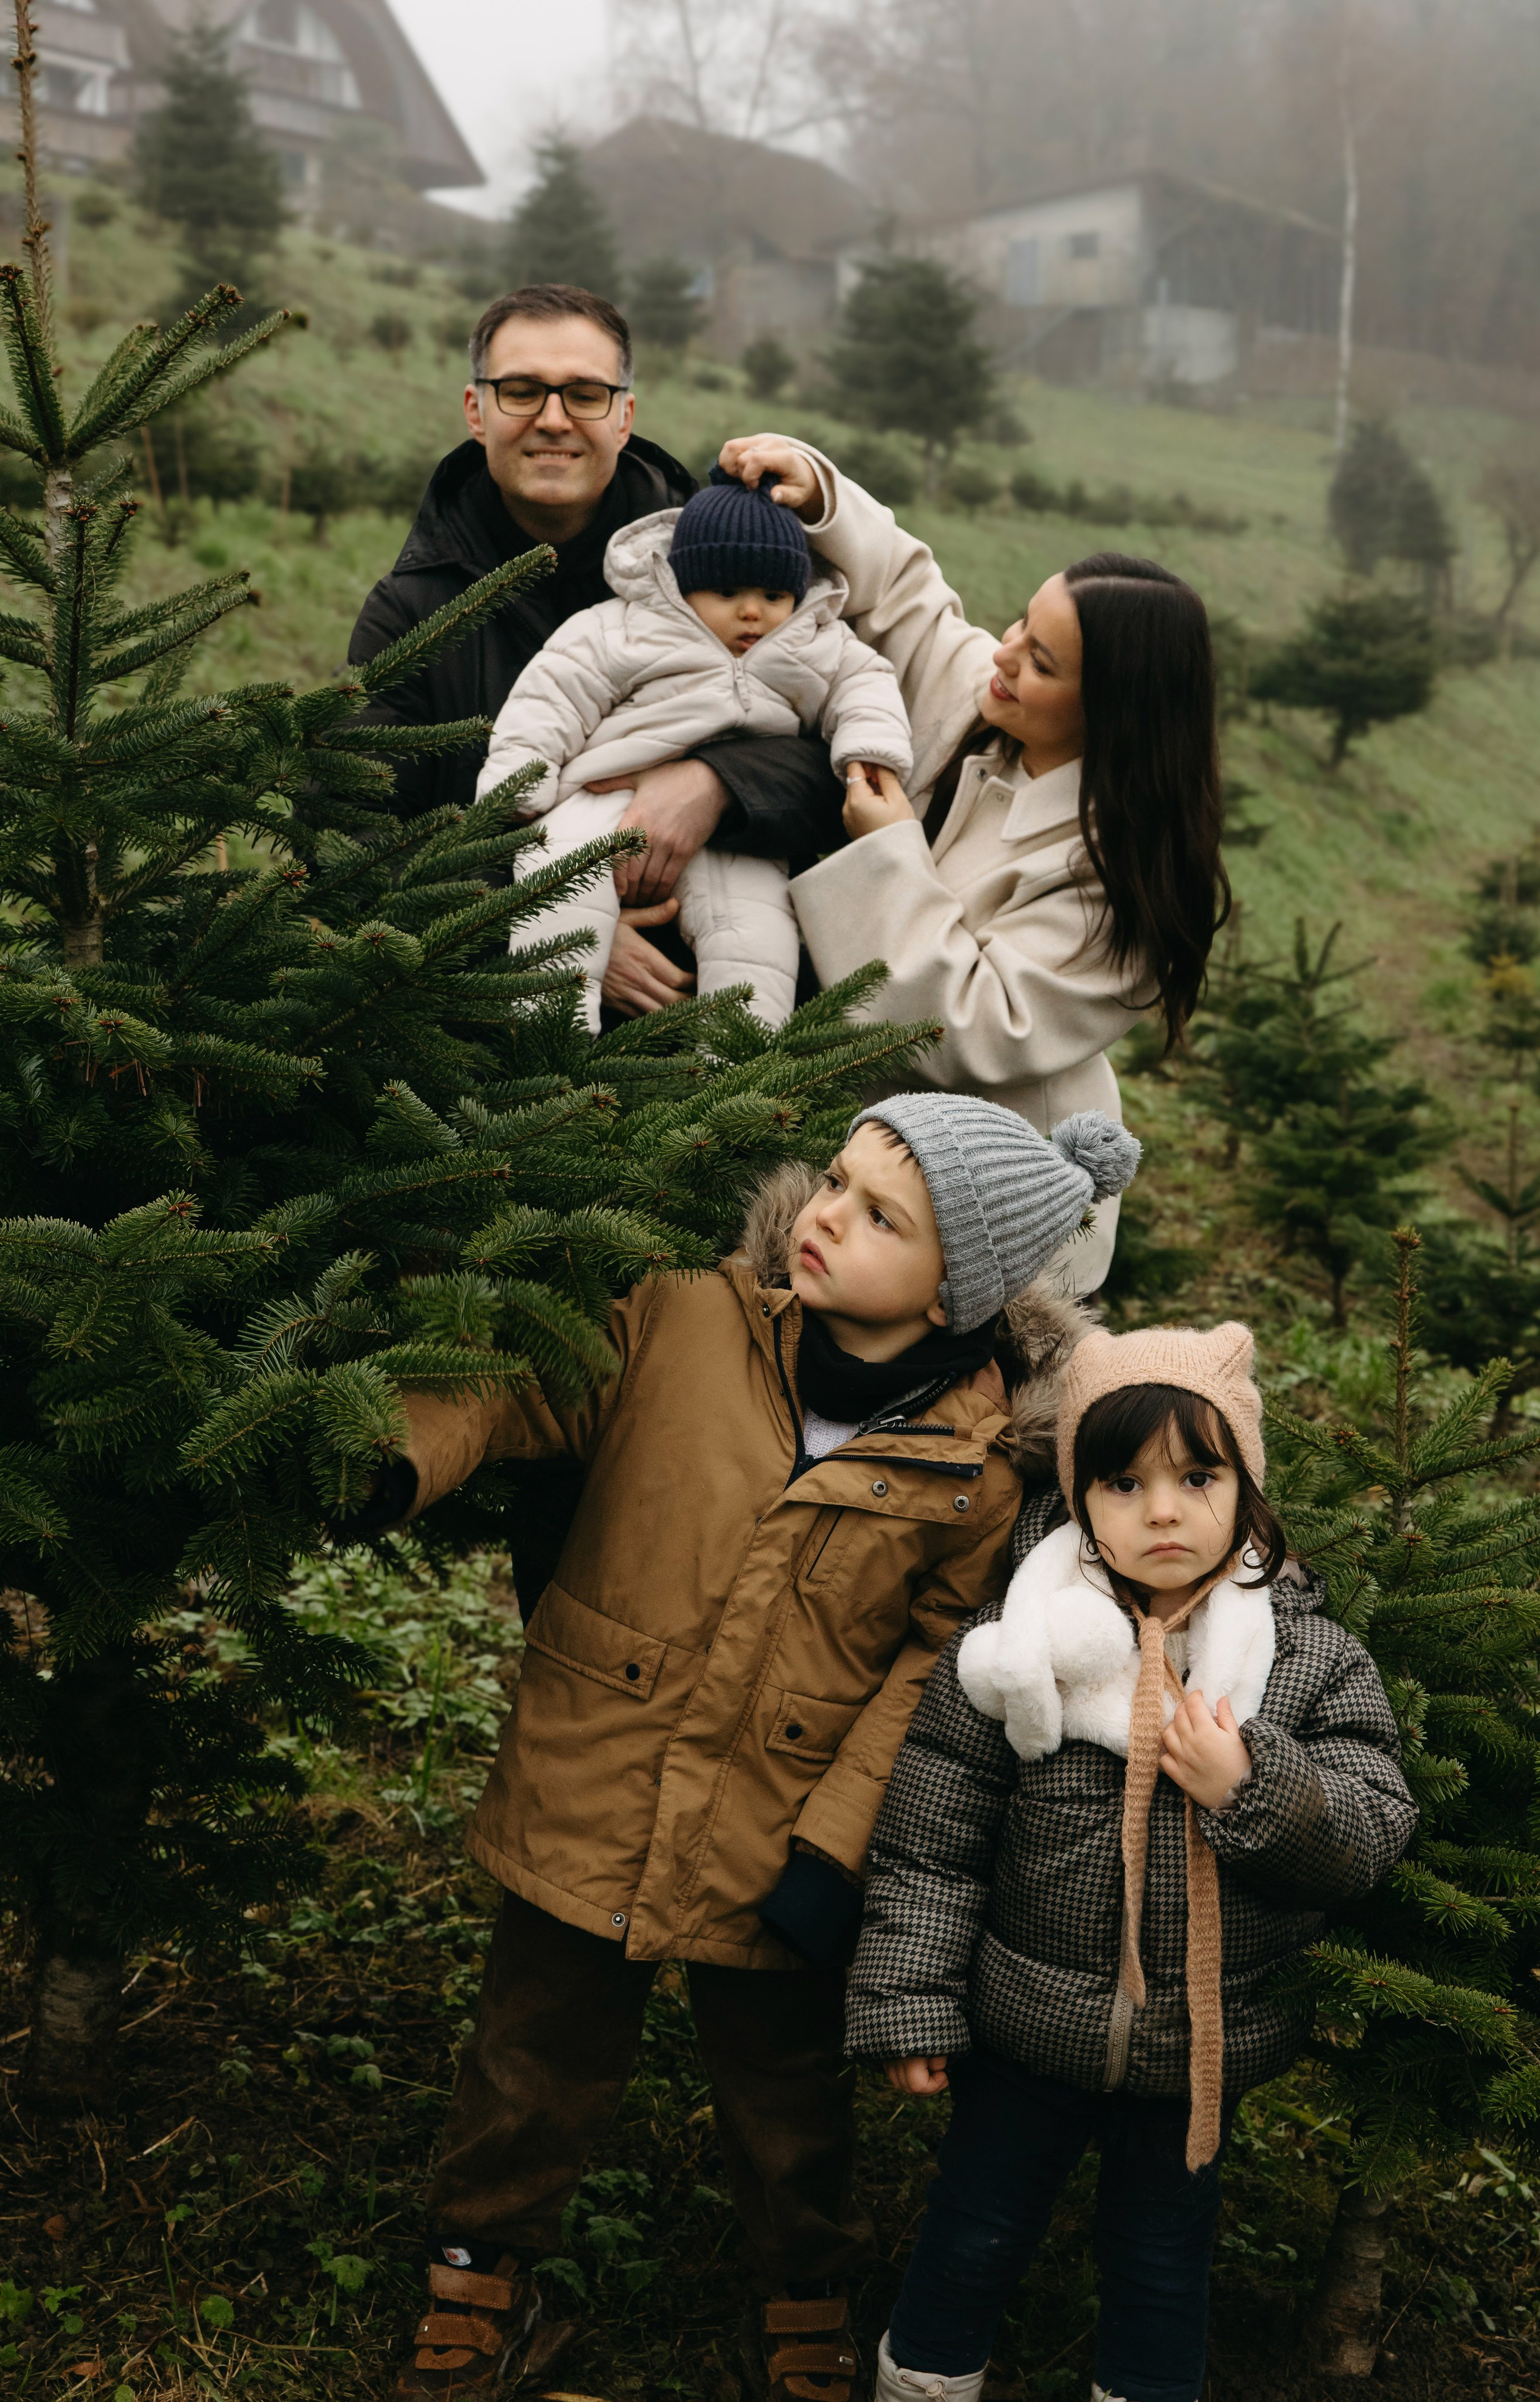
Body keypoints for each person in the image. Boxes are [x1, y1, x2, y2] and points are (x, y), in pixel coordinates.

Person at [354, 1098, 1140, 2402]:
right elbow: (519, 1381)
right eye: (835, 1180)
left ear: (962, 1288)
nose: (826, 1216)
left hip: (780, 1823)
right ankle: (475, 2267)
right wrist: (394, 1453)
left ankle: (804, 2286)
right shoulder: (683, 1320)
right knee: (529, 2048)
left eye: (881, 1215)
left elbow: (926, 1669)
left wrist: (839, 1843)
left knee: (786, 2092)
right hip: (595, 1768)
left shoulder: (971, 1464)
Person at [847, 1322, 1417, 2402]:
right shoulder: (1022, 1651)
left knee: (1161, 2269)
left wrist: (1252, 1786)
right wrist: (911, 2009)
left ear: (1244, 1491)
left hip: (1194, 2056)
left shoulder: (1307, 1663)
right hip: (1024, 2034)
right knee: (970, 2234)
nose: (1163, 1510)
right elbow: (934, 1843)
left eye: (1198, 1476)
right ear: (1079, 1500)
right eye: (1124, 1481)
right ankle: (922, 2383)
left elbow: (1372, 1828)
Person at [702, 435, 1233, 1294]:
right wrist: (820, 491)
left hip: (992, 1228)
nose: (1005, 655)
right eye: (1022, 623)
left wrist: (886, 851)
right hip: (872, 1181)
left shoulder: (1122, 885)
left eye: (1042, 662)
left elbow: (970, 1030)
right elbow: (910, 598)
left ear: (1114, 714)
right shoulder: (992, 715)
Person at [345, 285, 845, 1020]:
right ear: (476, 410)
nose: (553, 419)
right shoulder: (412, 612)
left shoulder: (736, 566)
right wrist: (550, 932)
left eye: (584, 393)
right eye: (521, 391)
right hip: (496, 1048)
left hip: (724, 1033)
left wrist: (715, 785)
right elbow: (356, 837)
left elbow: (842, 751)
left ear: (624, 415)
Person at [482, 467, 912, 1030]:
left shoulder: (815, 640)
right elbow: (554, 692)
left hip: (736, 829)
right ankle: (549, 1041)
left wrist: (869, 750)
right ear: (686, 585)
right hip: (599, 796)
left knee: (758, 939)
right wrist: (518, 781)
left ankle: (736, 1079)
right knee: (559, 892)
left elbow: (867, 684)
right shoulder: (627, 628)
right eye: (728, 592)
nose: (752, 612)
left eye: (774, 594)